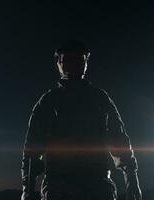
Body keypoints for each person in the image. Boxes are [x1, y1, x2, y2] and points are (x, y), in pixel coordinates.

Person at [21, 40, 142, 200]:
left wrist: (132, 180)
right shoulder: (49, 102)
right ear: (59, 63)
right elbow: (32, 152)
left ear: (85, 63)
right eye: (68, 59)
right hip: (60, 190)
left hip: (97, 188)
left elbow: (119, 141)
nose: (74, 64)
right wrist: (27, 189)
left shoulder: (99, 99)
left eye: (79, 59)